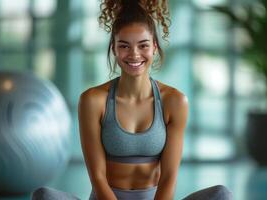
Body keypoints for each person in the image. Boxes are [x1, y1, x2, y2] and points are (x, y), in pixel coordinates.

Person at [32, 0, 232, 199]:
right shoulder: (92, 101)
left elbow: (169, 178)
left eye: (143, 45)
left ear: (154, 46)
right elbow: (98, 179)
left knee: (221, 194)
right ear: (114, 49)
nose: (134, 54)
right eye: (124, 46)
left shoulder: (175, 101)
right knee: (44, 195)